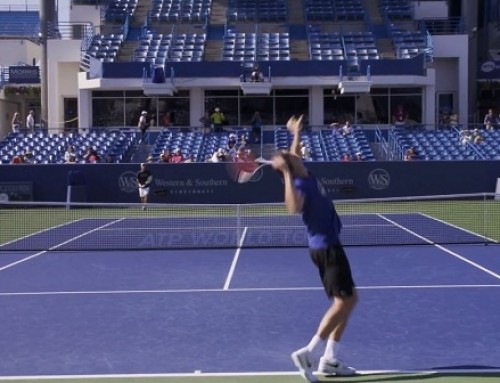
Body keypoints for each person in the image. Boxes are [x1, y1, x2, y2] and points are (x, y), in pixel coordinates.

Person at [271, 115, 358, 382]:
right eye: (291, 156)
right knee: (346, 301)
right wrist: (285, 174)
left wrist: (296, 133)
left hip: (330, 245)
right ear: (290, 167)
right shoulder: (298, 183)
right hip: (326, 248)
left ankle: (330, 359)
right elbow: (293, 208)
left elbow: (294, 154)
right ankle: (310, 351)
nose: (296, 154)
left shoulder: (303, 171)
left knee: (348, 300)